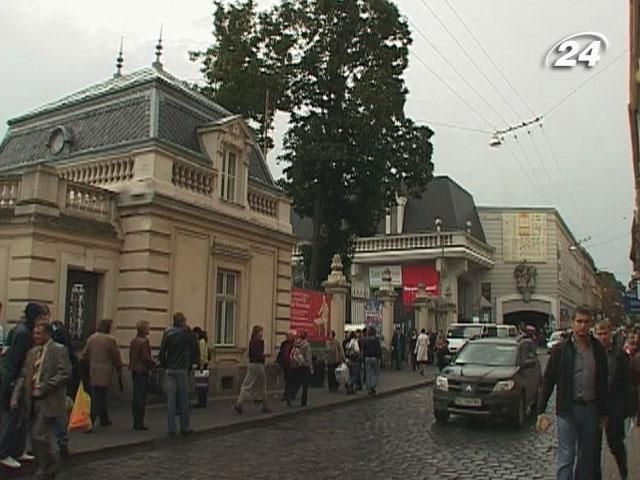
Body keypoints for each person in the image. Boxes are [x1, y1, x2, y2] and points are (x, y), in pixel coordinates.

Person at [536, 306, 608, 480]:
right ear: (572, 323)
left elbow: (603, 382)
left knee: (586, 458)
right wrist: (541, 411)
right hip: (567, 410)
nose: (582, 326)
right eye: (579, 321)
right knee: (566, 458)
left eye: (586, 322)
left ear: (590, 324)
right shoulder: (561, 350)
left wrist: (604, 412)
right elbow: (548, 381)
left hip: (590, 409)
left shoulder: (598, 350)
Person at [11, 321, 70, 479]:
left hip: (49, 400)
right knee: (36, 437)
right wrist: (16, 396)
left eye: (38, 333)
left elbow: (64, 373)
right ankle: (47, 466)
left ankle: (49, 467)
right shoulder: (32, 353)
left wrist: (44, 387)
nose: (35, 336)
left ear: (47, 334)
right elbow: (24, 375)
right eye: (34, 333)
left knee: (40, 434)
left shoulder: (59, 350)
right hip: (32, 401)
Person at [0, 302, 45, 469]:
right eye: (40, 317)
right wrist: (13, 383)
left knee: (22, 417)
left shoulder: (23, 330)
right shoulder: (24, 333)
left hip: (20, 378)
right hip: (18, 380)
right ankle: (4, 452)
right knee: (15, 417)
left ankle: (18, 450)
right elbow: (17, 360)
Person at [593, 319, 630, 480]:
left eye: (605, 333)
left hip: (614, 408)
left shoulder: (620, 355)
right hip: (594, 407)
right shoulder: (590, 353)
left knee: (616, 445)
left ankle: (624, 472)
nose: (602, 337)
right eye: (599, 334)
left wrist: (622, 409)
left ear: (610, 334)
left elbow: (626, 383)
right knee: (592, 447)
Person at [159, 312, 197, 436]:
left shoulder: (168, 332)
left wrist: (166, 365)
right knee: (183, 399)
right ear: (183, 321)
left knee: (171, 400)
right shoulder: (187, 332)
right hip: (182, 369)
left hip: (170, 369)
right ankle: (184, 427)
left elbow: (162, 352)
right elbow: (194, 349)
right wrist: (190, 365)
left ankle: (171, 428)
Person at [83, 319, 122, 431]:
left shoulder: (92, 338)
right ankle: (90, 421)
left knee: (98, 394)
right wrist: (119, 367)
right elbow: (116, 356)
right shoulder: (110, 340)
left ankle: (104, 418)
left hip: (93, 369)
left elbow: (85, 354)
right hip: (105, 370)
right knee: (100, 396)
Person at [50, 321, 78, 456]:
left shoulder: (61, 349)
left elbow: (66, 372)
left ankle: (61, 442)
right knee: (56, 416)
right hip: (56, 388)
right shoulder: (66, 348)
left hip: (57, 388)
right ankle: (57, 443)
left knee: (58, 416)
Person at [234, 325, 271, 414]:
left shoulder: (251, 341)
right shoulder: (259, 342)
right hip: (258, 365)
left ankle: (240, 402)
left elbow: (251, 354)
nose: (262, 333)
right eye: (261, 331)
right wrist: (264, 356)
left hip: (251, 364)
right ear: (257, 333)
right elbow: (258, 355)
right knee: (261, 385)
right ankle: (264, 405)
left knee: (247, 384)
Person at [129, 320, 155, 430]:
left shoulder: (134, 340)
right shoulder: (144, 342)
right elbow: (145, 358)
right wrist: (153, 363)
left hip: (134, 369)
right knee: (141, 396)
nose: (149, 328)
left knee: (136, 395)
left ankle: (136, 420)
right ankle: (140, 422)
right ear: (143, 329)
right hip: (142, 370)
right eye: (147, 327)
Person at [287, 331, 313, 407]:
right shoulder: (306, 345)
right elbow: (308, 357)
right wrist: (310, 367)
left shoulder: (296, 343)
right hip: (305, 366)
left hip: (297, 366)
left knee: (297, 383)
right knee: (305, 385)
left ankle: (290, 395)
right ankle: (303, 402)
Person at [192, 327, 210, 409]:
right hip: (203, 364)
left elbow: (202, 353)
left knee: (201, 384)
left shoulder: (201, 341)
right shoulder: (203, 341)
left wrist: (201, 365)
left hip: (202, 365)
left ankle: (202, 402)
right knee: (202, 384)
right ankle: (202, 401)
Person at [362, 327, 382, 395]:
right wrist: (380, 358)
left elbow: (363, 350)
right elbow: (378, 349)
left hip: (367, 358)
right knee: (375, 373)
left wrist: (363, 358)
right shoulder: (376, 340)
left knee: (368, 374)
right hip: (374, 358)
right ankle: (373, 386)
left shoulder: (366, 340)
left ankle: (369, 389)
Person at [276, 331, 295, 401]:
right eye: (286, 336)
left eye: (289, 336)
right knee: (287, 380)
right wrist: (278, 362)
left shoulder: (294, 344)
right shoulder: (284, 344)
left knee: (290, 380)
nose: (287, 338)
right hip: (285, 364)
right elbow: (281, 353)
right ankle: (288, 394)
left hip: (292, 364)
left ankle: (287, 395)